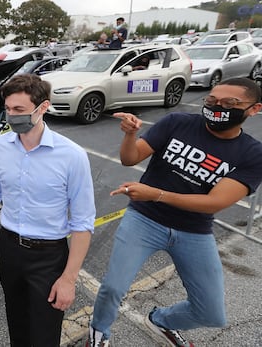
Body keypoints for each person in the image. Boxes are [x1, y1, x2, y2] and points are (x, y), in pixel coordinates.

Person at [85, 78, 262, 347]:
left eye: (230, 104)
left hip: (194, 231)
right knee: (113, 288)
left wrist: (156, 194)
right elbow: (130, 159)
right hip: (144, 219)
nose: (217, 108)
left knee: (211, 312)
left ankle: (161, 320)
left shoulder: (252, 153)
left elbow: (214, 203)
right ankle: (99, 334)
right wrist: (131, 135)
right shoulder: (177, 123)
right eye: (212, 101)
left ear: (253, 109)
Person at [0, 74, 96, 347]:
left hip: (48, 257)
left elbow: (83, 222)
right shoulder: (1, 146)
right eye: (7, 109)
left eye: (19, 110)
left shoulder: (72, 156)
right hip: (9, 247)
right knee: (16, 324)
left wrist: (68, 278)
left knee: (43, 334)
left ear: (43, 108)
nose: (11, 116)